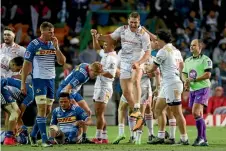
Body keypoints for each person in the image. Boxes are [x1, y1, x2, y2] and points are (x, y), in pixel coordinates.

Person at [92, 12, 151, 120]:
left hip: (137, 61)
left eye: (135, 22)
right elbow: (109, 38)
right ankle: (138, 115)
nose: (133, 24)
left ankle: (137, 106)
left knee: (135, 80)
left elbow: (148, 53)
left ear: (139, 22)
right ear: (128, 20)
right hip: (125, 62)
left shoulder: (144, 34)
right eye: (131, 22)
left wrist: (139, 62)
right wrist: (98, 36)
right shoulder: (122, 29)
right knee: (126, 92)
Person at [21, 21, 66, 147]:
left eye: (53, 31)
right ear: (42, 31)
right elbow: (26, 66)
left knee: (47, 111)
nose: (52, 34)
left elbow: (62, 62)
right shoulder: (34, 44)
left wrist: (57, 47)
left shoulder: (53, 44)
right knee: (41, 109)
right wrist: (23, 84)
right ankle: (45, 140)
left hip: (51, 80)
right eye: (50, 32)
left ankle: (33, 135)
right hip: (39, 79)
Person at [146, 29, 189, 145]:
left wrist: (142, 68)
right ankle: (161, 137)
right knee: (158, 109)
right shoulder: (176, 51)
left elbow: (152, 68)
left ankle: (184, 139)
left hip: (172, 84)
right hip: (169, 83)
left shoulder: (162, 51)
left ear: (161, 40)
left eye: (157, 40)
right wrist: (183, 80)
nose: (156, 42)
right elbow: (182, 66)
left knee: (177, 112)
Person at [113, 52, 160, 145]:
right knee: (131, 110)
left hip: (143, 88)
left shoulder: (147, 56)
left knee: (142, 111)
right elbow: (117, 67)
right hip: (131, 87)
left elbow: (156, 72)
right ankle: (134, 136)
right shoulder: (128, 53)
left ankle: (140, 136)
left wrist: (148, 73)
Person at [56, 62, 103, 143]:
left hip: (73, 91)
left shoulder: (86, 65)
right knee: (78, 112)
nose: (94, 77)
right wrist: (70, 101)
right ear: (91, 70)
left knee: (88, 112)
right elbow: (68, 88)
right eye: (94, 74)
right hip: (65, 91)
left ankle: (84, 137)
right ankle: (67, 135)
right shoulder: (82, 75)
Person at [90, 29, 119, 144]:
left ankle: (98, 137)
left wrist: (98, 72)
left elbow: (111, 74)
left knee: (99, 112)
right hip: (100, 85)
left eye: (106, 44)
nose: (104, 45)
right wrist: (93, 37)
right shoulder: (107, 54)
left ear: (113, 45)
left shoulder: (112, 58)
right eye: (104, 44)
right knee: (98, 113)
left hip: (105, 86)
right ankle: (104, 137)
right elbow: (97, 48)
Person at [182, 39, 212, 146]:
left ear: (200, 47)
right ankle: (204, 140)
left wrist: (193, 80)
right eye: (191, 45)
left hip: (203, 88)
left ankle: (200, 138)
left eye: (194, 45)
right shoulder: (187, 60)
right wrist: (185, 81)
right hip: (193, 89)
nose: (191, 47)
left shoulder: (206, 59)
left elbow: (208, 75)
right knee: (199, 114)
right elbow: (184, 73)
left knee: (195, 112)